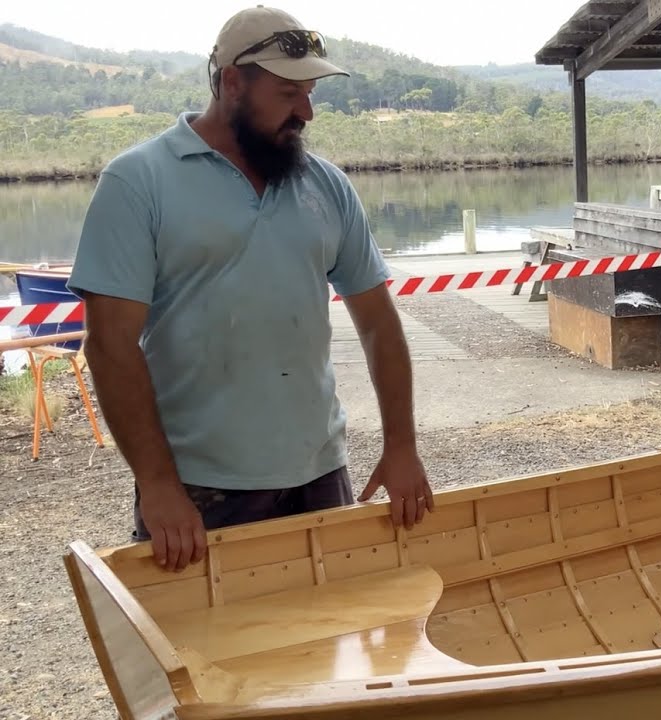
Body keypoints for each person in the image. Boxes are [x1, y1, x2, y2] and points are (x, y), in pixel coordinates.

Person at [68, 5, 433, 573]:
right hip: (202, 489)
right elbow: (111, 345)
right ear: (232, 82)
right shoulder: (138, 181)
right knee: (205, 654)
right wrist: (158, 485)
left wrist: (401, 446)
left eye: (310, 93)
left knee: (327, 648)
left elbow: (379, 323)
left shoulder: (327, 185)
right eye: (289, 93)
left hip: (320, 475)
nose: (306, 112)